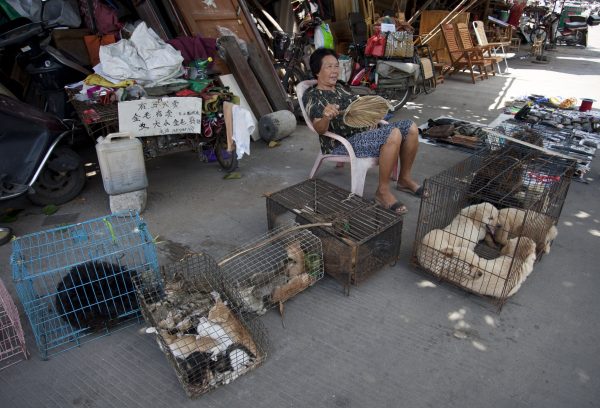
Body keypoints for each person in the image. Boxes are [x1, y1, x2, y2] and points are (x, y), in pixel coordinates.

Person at [302, 48, 425, 215]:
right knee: (393, 133)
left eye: (336, 66)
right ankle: (382, 192)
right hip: (343, 143)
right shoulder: (313, 96)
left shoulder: (340, 87)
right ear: (317, 71)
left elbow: (359, 107)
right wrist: (326, 116)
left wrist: (372, 117)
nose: (335, 71)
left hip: (364, 132)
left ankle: (404, 178)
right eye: (329, 66)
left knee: (411, 127)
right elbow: (319, 129)